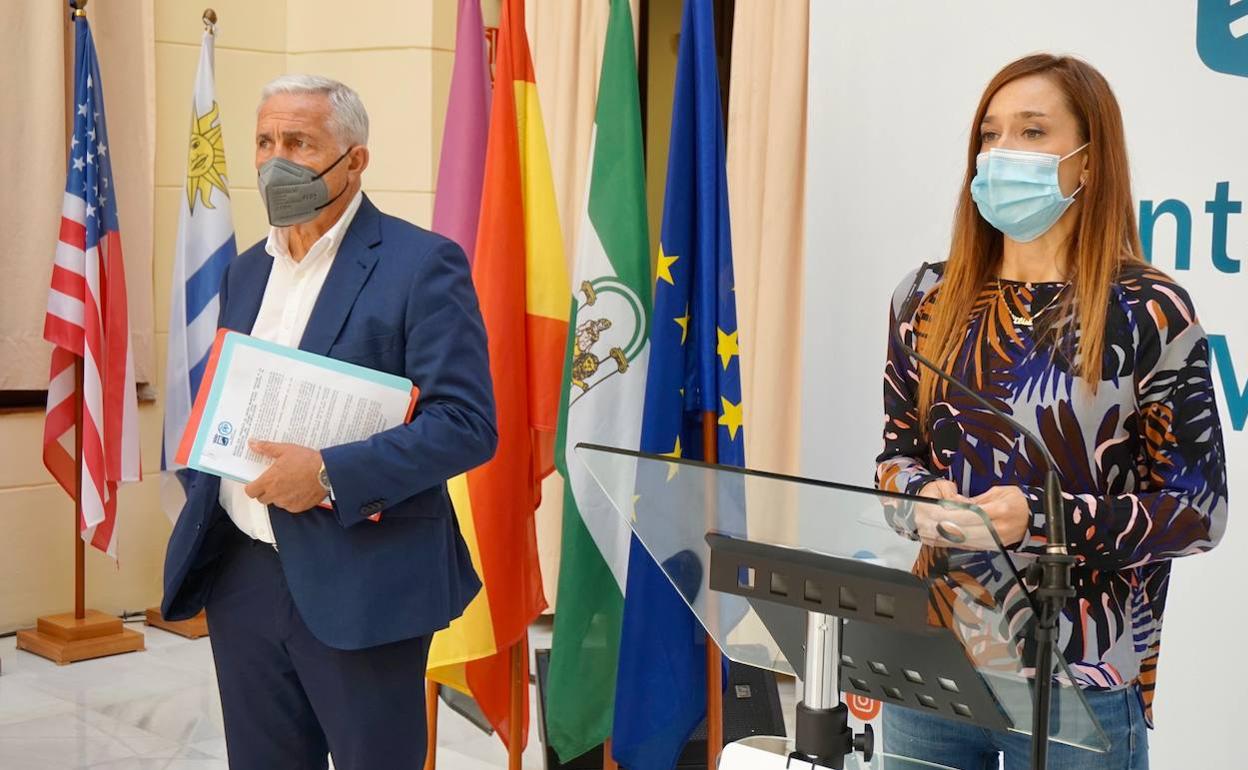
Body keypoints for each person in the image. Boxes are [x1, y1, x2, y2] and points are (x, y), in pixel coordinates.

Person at [876, 54, 1228, 769]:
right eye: (990, 134)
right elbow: (895, 456)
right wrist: (919, 498)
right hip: (931, 661)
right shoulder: (924, 298)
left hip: (1081, 681)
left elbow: (1198, 511)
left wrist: (1041, 519)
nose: (1003, 152)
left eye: (1032, 132)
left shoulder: (1148, 310)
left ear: (1087, 162)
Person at [160, 75, 496, 770]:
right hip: (242, 576)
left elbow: (466, 422)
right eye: (264, 141)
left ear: (356, 159)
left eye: (299, 142)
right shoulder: (245, 271)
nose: (275, 159)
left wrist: (326, 473)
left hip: (363, 580)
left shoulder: (420, 264)